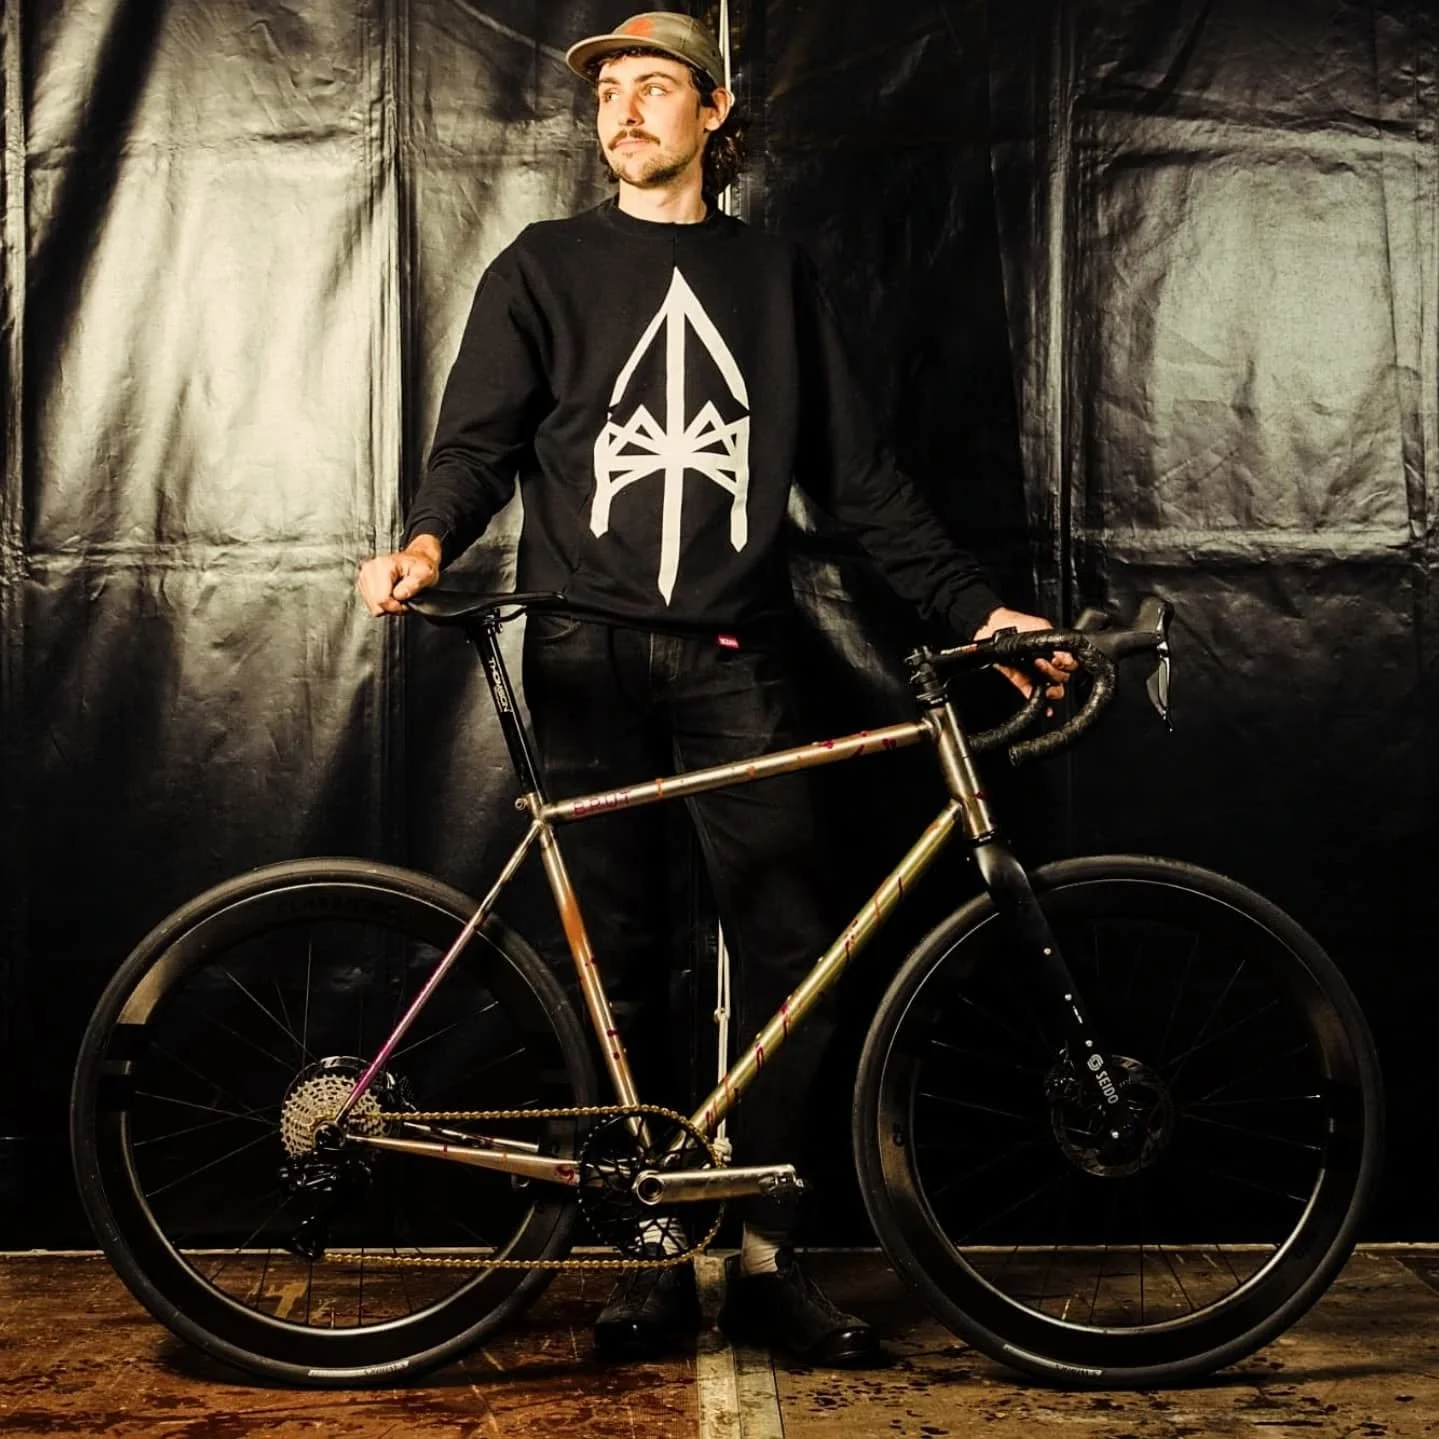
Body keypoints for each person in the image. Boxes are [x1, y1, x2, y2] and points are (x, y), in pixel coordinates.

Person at [357, 9, 1071, 1368]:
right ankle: (643, 1247)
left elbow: (862, 484)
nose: (622, 109)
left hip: (738, 657)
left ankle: (763, 1251)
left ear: (713, 110)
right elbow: (476, 445)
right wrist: (429, 540)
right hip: (582, 654)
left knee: (790, 950)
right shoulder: (542, 265)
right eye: (606, 93)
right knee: (613, 956)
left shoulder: (774, 277)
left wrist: (975, 609)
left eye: (652, 86)